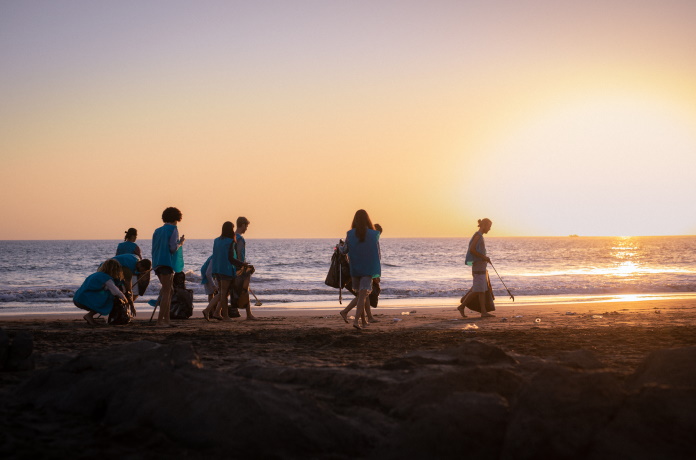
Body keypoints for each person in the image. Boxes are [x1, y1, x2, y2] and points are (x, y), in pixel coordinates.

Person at [340, 210, 381, 330]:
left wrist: (339, 247)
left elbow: (344, 250)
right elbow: (378, 254)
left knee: (360, 295)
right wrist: (376, 271)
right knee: (362, 296)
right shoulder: (374, 234)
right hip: (367, 268)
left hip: (355, 268)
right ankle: (356, 321)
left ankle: (363, 322)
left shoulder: (350, 234)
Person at [202, 221, 247, 321]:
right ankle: (225, 316)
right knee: (224, 294)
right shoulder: (230, 241)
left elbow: (216, 255)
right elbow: (231, 258)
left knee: (222, 293)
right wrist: (242, 264)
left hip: (217, 269)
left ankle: (210, 311)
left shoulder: (216, 240)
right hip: (226, 269)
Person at [152, 207, 185, 327]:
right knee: (167, 291)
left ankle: (167, 320)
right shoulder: (173, 229)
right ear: (177, 218)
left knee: (169, 290)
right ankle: (160, 321)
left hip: (157, 263)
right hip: (166, 262)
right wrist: (180, 243)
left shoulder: (157, 230)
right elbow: (172, 248)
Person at [458, 218, 495, 318]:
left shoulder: (480, 236)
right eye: (489, 226)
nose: (489, 229)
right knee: (477, 290)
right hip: (478, 267)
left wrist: (485, 259)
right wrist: (484, 257)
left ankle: (483, 312)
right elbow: (472, 250)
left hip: (481, 267)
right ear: (484, 225)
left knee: (482, 290)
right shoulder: (478, 236)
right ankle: (462, 306)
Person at [74, 259, 129, 326]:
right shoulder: (106, 278)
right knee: (109, 296)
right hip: (84, 301)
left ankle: (90, 317)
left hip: (78, 299)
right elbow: (116, 291)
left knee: (105, 293)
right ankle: (89, 315)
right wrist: (124, 298)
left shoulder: (96, 275)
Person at [234, 216, 257, 320]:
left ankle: (218, 311)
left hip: (231, 267)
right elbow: (239, 254)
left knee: (230, 291)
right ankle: (249, 314)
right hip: (239, 267)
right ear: (242, 225)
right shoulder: (240, 239)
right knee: (244, 289)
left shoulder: (231, 237)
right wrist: (243, 265)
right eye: (246, 226)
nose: (246, 228)